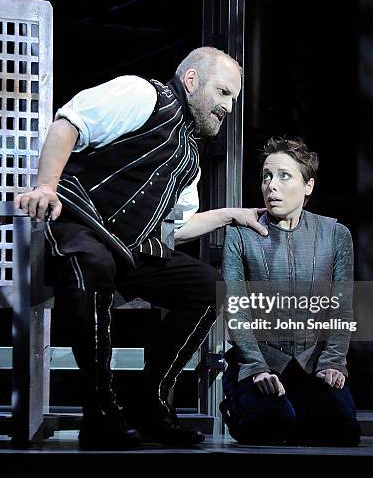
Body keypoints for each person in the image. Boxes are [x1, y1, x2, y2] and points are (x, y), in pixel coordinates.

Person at [15, 47, 267, 449]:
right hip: (77, 221)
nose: (228, 107)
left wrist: (230, 215)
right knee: (91, 262)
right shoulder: (142, 95)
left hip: (128, 248)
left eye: (233, 99)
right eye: (222, 92)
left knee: (206, 285)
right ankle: (100, 409)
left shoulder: (190, 158)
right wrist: (46, 185)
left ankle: (149, 401)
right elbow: (69, 123)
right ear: (190, 81)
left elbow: (176, 229)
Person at [220, 137, 361, 446]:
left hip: (312, 362)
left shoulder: (335, 234)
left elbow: (340, 308)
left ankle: (300, 411)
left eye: (284, 176)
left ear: (308, 186)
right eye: (267, 176)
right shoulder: (240, 235)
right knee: (268, 426)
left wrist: (333, 362)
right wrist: (256, 368)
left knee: (343, 431)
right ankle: (251, 406)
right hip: (261, 361)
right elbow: (236, 310)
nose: (272, 185)